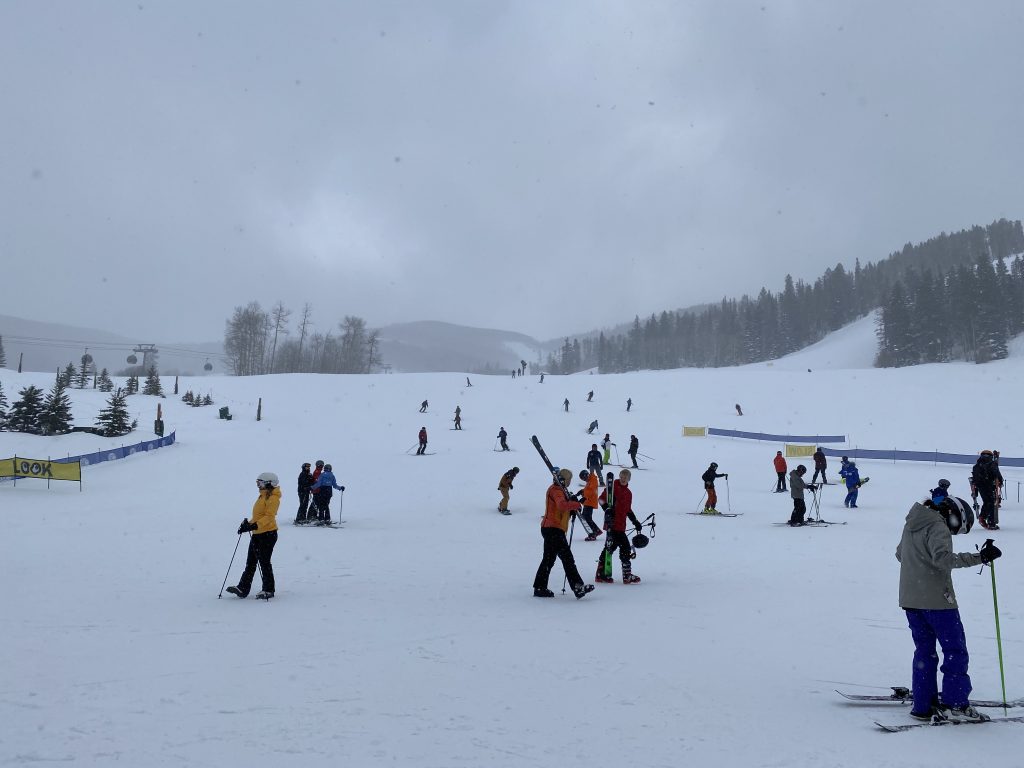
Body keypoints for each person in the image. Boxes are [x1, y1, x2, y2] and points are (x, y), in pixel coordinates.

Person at [896, 483, 1001, 722]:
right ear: (953, 515)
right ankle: (956, 704)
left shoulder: (912, 522)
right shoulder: (937, 525)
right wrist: (979, 558)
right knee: (955, 652)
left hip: (911, 600)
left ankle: (922, 705)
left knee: (924, 651)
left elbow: (900, 554)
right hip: (938, 602)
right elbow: (942, 560)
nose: (953, 532)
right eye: (957, 528)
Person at [532, 468, 594, 599]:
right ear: (565, 480)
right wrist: (575, 504)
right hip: (553, 529)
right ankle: (578, 587)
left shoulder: (559, 490)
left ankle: (539, 587)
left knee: (549, 560)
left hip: (551, 528)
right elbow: (561, 505)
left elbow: (562, 507)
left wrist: (572, 505)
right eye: (570, 480)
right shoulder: (556, 491)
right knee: (567, 559)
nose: (571, 482)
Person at [227, 472, 281, 599]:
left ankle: (268, 590)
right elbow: (258, 517)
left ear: (269, 483)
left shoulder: (273, 499)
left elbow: (269, 517)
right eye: (257, 482)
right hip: (258, 534)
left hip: (268, 534)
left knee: (264, 562)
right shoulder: (262, 497)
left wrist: (254, 526)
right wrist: (248, 525)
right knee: (250, 562)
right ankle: (243, 588)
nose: (258, 485)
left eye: (260, 482)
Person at [596, 469, 643, 584]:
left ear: (629, 479)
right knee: (624, 547)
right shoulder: (612, 487)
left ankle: (601, 574)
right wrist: (607, 508)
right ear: (619, 476)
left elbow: (628, 509)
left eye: (625, 478)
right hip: (611, 523)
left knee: (610, 548)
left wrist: (635, 521)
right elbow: (601, 500)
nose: (623, 479)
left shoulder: (628, 493)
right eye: (622, 476)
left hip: (621, 525)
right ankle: (626, 575)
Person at [971, 450, 1000, 529]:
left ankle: (987, 520)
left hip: (979, 486)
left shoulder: (977, 465)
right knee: (990, 502)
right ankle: (987, 520)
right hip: (988, 485)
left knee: (987, 502)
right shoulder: (992, 463)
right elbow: (997, 474)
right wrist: (1000, 481)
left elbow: (974, 477)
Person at [578, 470, 602, 540]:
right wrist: (582, 491)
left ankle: (594, 532)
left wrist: (585, 497)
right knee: (585, 517)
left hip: (590, 501)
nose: (584, 480)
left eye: (584, 478)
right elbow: (588, 489)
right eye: (583, 479)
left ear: (586, 475)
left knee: (587, 518)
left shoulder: (593, 480)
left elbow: (592, 490)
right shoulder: (590, 480)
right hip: (588, 501)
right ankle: (596, 531)